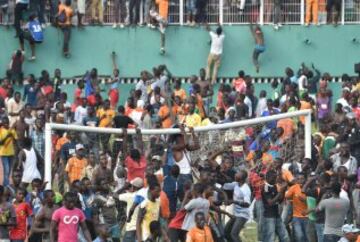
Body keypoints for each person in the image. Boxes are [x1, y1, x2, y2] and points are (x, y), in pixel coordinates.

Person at [223, 170, 251, 242]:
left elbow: (247, 204)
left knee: (234, 234)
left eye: (238, 174)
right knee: (226, 232)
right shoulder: (235, 184)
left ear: (242, 178)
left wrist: (233, 201)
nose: (235, 175)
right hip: (236, 214)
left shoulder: (245, 189)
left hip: (243, 215)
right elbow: (224, 186)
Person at [262, 169, 289, 242]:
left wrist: (283, 191)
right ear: (268, 178)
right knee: (270, 238)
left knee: (285, 237)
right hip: (269, 217)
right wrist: (280, 191)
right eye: (274, 177)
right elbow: (270, 202)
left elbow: (279, 201)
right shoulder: (265, 187)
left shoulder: (274, 186)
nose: (276, 179)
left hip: (276, 215)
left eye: (276, 177)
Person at [0, 116, 17, 186]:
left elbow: (16, 140)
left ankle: (5, 183)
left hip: (11, 153)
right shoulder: (1, 131)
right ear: (3, 124)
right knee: (6, 169)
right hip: (3, 153)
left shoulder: (12, 130)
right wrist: (7, 136)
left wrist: (12, 136)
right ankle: (6, 185)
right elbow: (1, 143)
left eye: (7, 123)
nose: (6, 124)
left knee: (9, 170)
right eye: (5, 123)